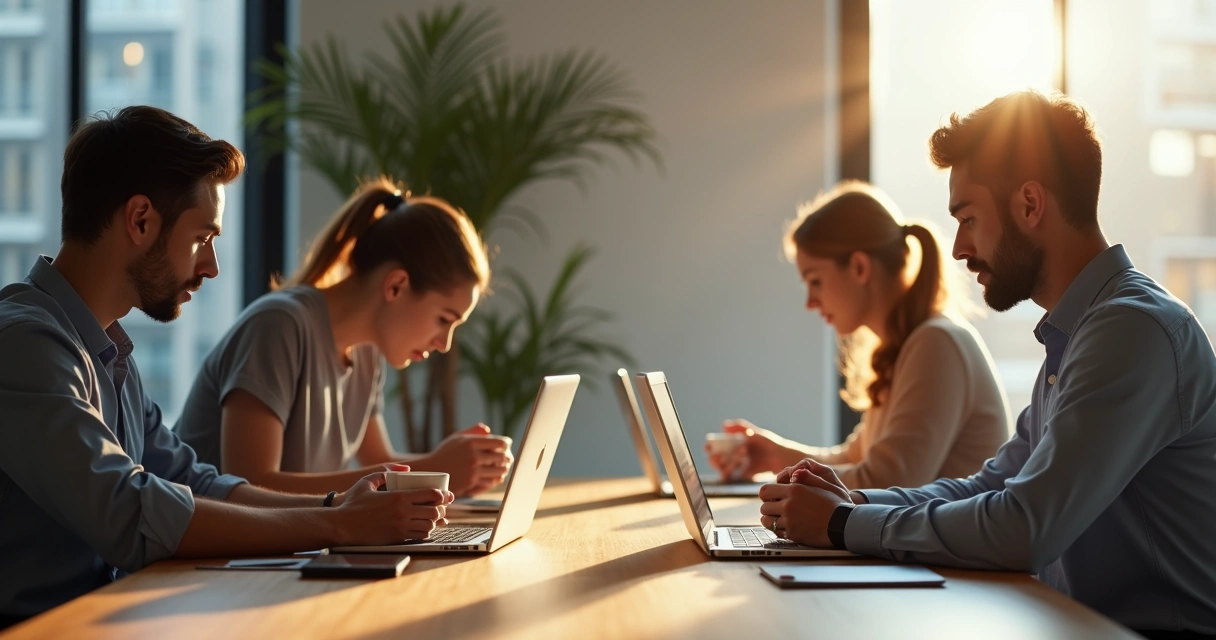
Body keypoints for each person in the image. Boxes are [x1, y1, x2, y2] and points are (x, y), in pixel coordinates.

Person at [757, 90, 1216, 639]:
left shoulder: (1131, 331)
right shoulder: (1080, 334)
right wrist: (851, 501)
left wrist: (842, 523)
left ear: (1030, 204)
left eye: (969, 218)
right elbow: (991, 485)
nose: (957, 247)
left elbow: (1025, 527)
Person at [0, 107, 451, 628]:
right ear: (140, 220)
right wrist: (340, 527)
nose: (211, 266)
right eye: (202, 238)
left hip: (108, 620)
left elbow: (194, 481)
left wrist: (335, 508)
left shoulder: (110, 355)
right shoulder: (24, 344)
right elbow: (129, 511)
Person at [174, 178, 512, 497]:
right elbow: (250, 487)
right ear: (396, 285)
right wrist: (436, 468)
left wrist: (458, 472)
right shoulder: (278, 326)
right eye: (444, 320)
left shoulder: (366, 353)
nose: (444, 343)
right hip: (200, 540)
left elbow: (379, 463)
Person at [708, 181, 1010, 489]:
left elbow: (886, 481)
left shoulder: (936, 344)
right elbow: (856, 457)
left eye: (815, 281)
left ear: (859, 267)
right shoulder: (907, 345)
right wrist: (774, 456)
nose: (810, 303)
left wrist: (786, 473)